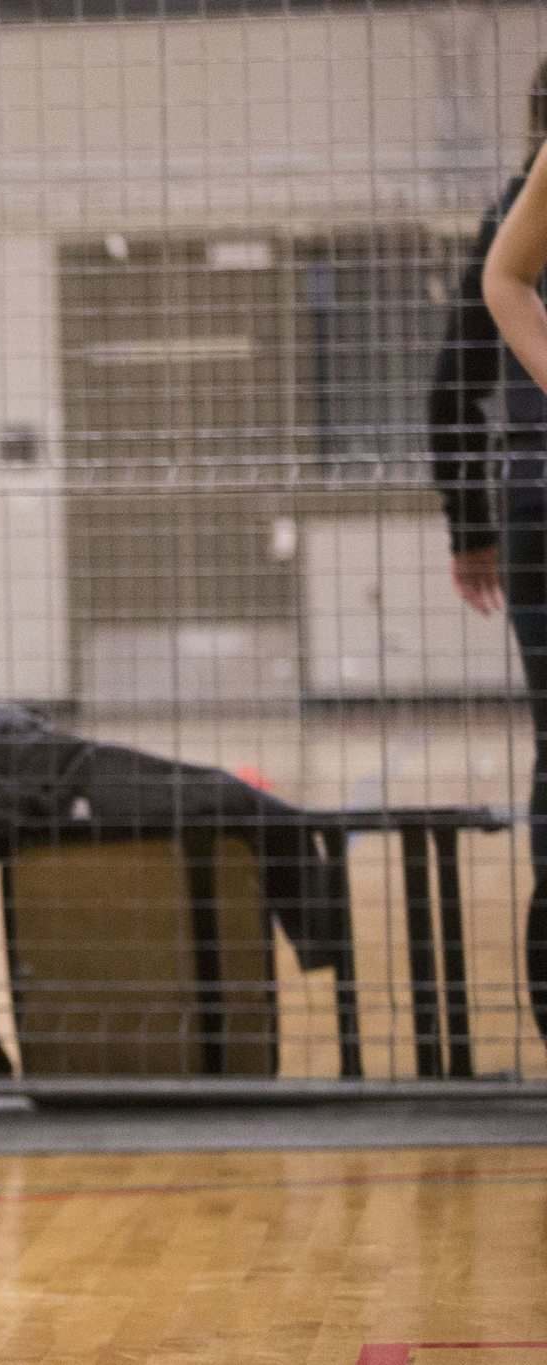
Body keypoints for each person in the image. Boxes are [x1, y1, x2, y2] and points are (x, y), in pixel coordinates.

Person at [436, 58, 547, 1051]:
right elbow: (456, 367)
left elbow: (446, 385)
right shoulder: (515, 217)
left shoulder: (510, 205)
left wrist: (470, 523)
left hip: (523, 498)